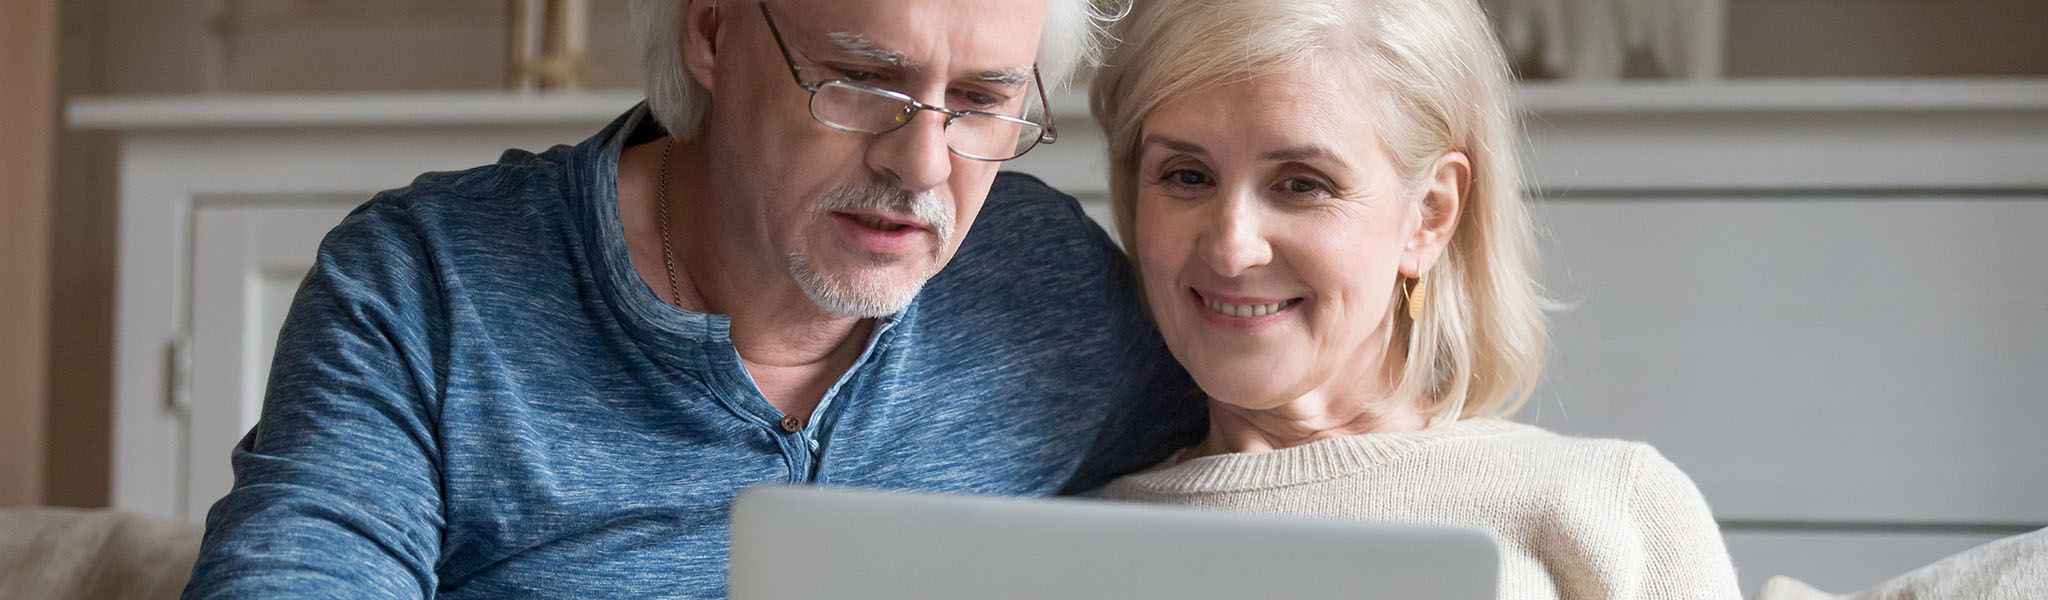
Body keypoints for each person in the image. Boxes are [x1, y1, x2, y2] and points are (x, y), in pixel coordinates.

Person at [181, 0, 1202, 597]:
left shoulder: (1047, 281)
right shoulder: (427, 285)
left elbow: (1288, 450)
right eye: (858, 80)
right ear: (710, 33)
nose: (922, 166)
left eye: (982, 101)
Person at [1087, 0, 1742, 597]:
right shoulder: (1075, 537)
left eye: (1301, 184)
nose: (1232, 248)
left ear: (1428, 215)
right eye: (1186, 175)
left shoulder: (1611, 509)